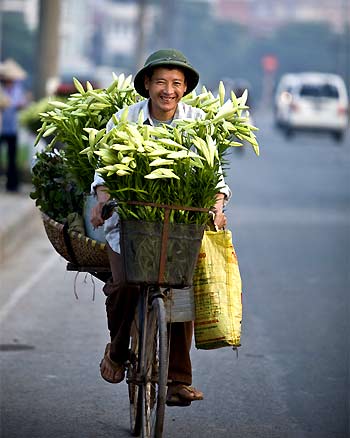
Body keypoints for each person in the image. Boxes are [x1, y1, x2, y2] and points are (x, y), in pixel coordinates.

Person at [90, 49, 231, 406]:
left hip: (178, 225)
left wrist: (216, 206)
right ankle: (118, 351)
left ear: (184, 89)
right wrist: (103, 199)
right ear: (148, 85)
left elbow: (215, 176)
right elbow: (104, 172)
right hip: (131, 225)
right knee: (124, 285)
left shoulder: (197, 122)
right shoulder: (125, 120)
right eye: (161, 82)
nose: (168, 90)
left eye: (176, 83)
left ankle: (178, 380)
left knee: (180, 288)